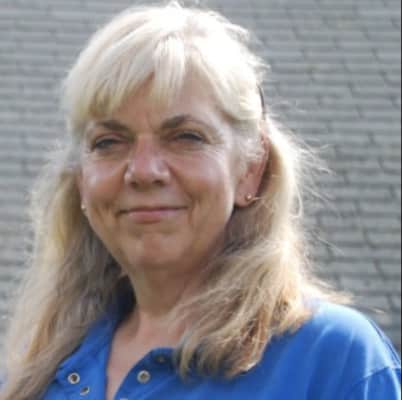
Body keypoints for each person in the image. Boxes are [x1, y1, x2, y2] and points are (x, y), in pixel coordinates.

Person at [1, 2, 400, 399]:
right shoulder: (38, 373)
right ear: (81, 179)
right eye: (108, 142)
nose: (143, 171)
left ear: (251, 168)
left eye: (186, 137)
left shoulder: (334, 364)